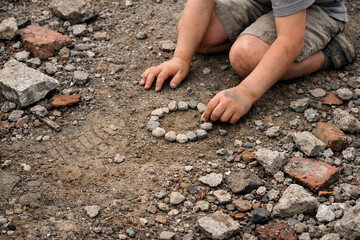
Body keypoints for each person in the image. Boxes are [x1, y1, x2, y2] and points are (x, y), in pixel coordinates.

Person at [140, 0, 356, 124]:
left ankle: (332, 52)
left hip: (315, 11)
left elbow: (290, 41)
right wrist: (180, 57)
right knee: (199, 36)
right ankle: (256, 32)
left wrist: (246, 92)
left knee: (246, 58)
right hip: (264, 3)